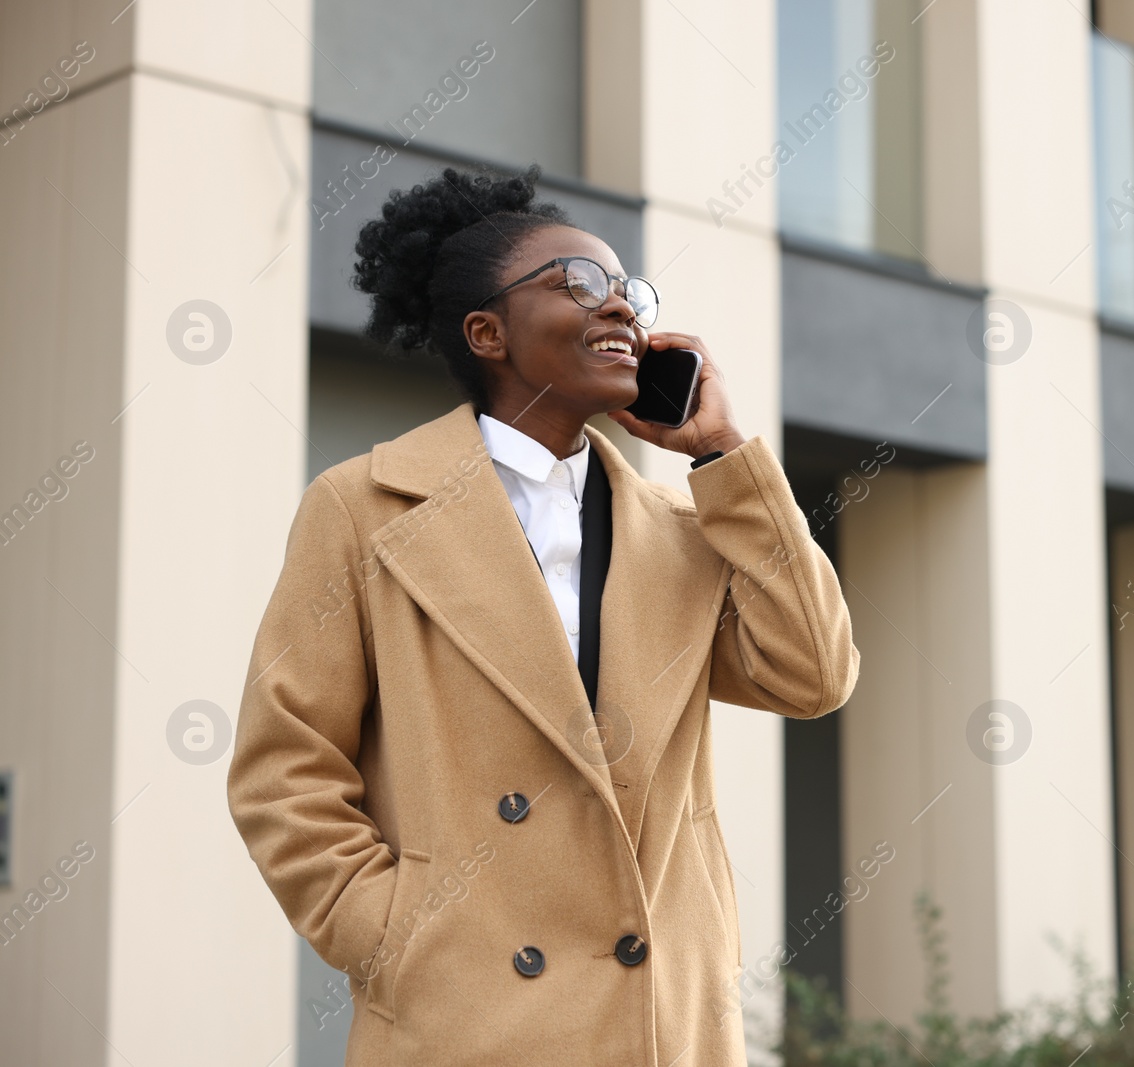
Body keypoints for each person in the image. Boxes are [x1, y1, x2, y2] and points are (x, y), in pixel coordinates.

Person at [226, 165, 860, 1067]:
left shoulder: (686, 526)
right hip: (466, 1017)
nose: (622, 311)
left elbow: (815, 674)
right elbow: (283, 768)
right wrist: (398, 938)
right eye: (581, 284)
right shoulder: (364, 509)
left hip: (659, 1021)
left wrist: (723, 455)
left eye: (629, 292)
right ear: (487, 332)